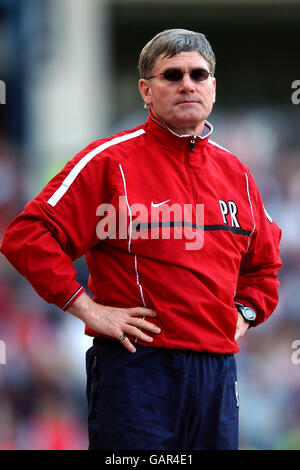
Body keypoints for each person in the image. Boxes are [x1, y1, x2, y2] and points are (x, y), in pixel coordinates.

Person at [0, 29, 282, 450]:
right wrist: (87, 309)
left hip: (218, 375)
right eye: (172, 75)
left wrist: (243, 313)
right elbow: (27, 235)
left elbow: (264, 267)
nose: (188, 83)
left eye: (199, 74)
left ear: (214, 88)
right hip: (137, 371)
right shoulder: (109, 161)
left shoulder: (237, 173)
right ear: (146, 91)